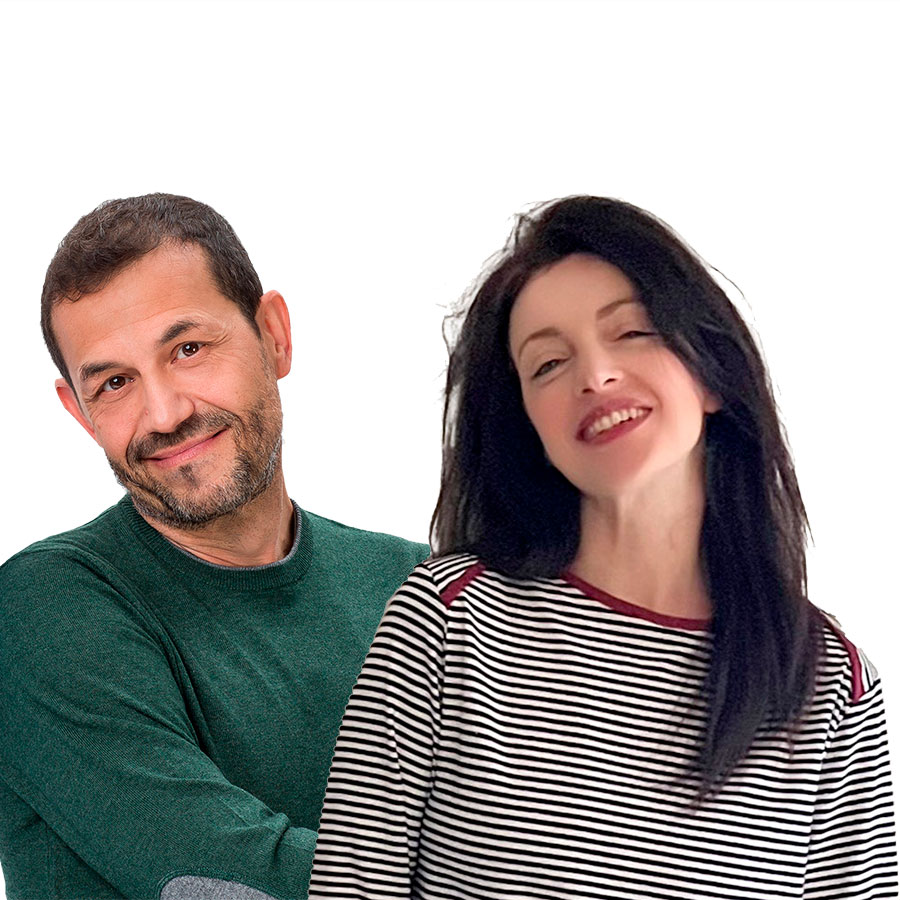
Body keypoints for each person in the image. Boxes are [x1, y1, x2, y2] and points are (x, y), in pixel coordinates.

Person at [308, 196, 898, 898]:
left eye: (633, 332)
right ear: (530, 427)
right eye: (549, 364)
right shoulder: (448, 619)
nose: (595, 375)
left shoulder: (828, 681)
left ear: (710, 372)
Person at [0, 194, 428, 900]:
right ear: (78, 411)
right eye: (114, 383)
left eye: (188, 350)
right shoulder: (44, 610)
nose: (165, 413)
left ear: (274, 336)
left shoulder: (421, 585)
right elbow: (229, 883)